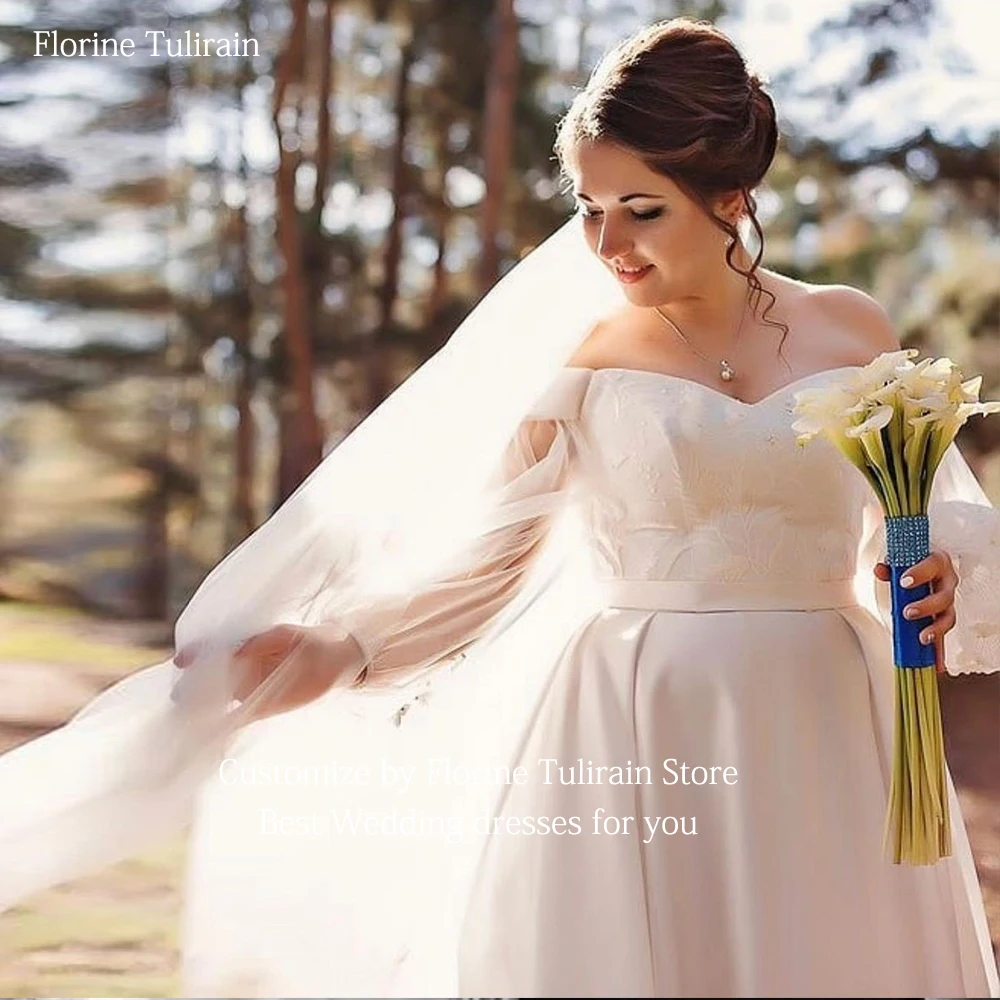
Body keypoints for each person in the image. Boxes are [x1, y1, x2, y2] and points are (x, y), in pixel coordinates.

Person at [2, 17, 998, 999]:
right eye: (589, 206)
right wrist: (339, 645)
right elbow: (491, 560)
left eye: (640, 209)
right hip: (631, 724)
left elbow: (917, 523)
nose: (605, 242)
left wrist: (939, 577)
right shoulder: (578, 357)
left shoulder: (850, 330)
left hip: (830, 722)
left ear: (730, 197)